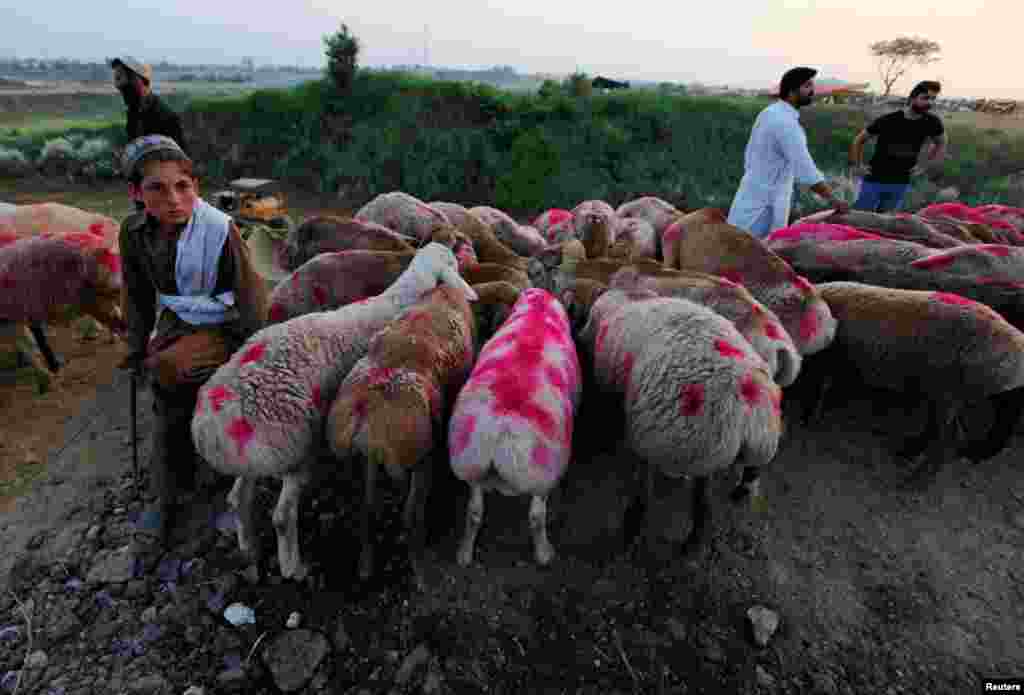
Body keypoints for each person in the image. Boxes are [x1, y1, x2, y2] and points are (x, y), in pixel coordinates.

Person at [116, 135, 267, 565]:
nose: (174, 199)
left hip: (226, 323)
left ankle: (215, 488)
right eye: (156, 189)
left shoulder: (219, 230)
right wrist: (134, 346)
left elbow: (252, 301)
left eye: (183, 186)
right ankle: (168, 491)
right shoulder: (134, 233)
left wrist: (246, 358)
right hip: (180, 319)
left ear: (196, 187)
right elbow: (140, 296)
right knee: (162, 379)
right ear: (135, 194)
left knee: (179, 376)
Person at [727, 67, 849, 238]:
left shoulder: (771, 113)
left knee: (746, 247)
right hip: (764, 201)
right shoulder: (785, 123)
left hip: (758, 191)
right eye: (807, 86)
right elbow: (806, 170)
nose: (812, 91)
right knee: (747, 249)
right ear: (792, 91)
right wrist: (834, 200)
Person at [849, 80, 947, 213]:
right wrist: (858, 165)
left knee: (886, 221)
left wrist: (924, 165)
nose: (929, 103)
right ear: (912, 97)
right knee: (861, 218)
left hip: (901, 182)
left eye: (933, 99)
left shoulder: (932, 122)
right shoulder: (889, 120)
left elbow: (941, 142)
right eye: (925, 98)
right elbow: (859, 140)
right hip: (874, 179)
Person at [111, 57, 187, 153]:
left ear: (137, 80)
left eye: (120, 78)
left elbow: (182, 161)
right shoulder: (133, 113)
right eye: (117, 79)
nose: (117, 85)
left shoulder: (167, 118)